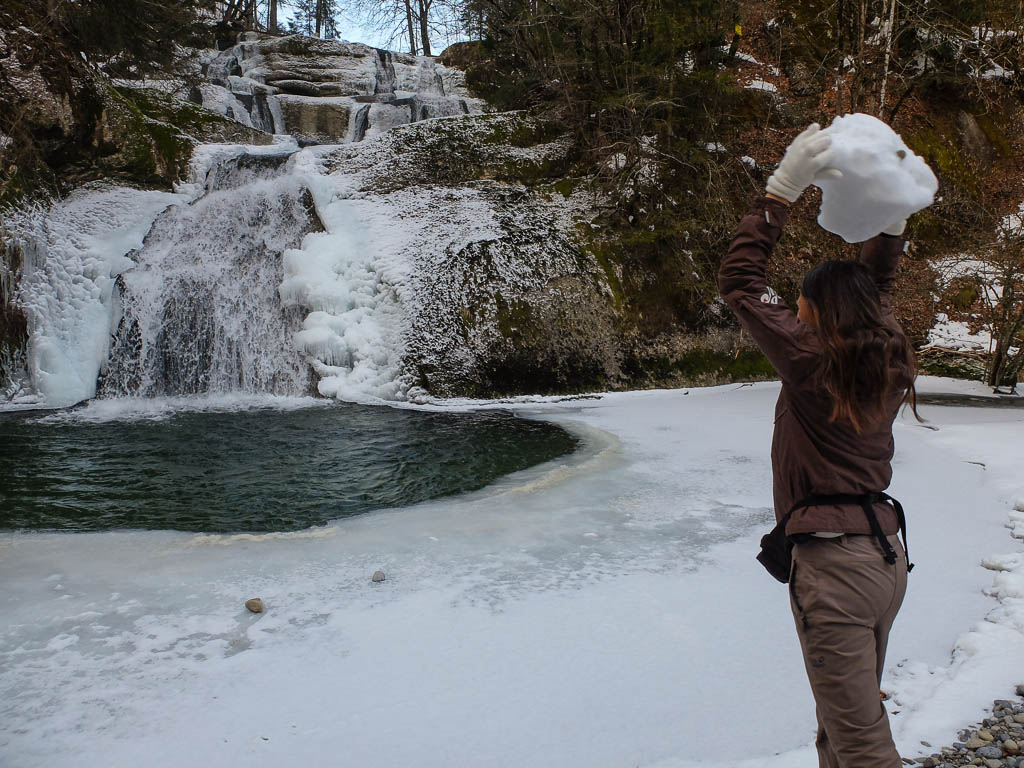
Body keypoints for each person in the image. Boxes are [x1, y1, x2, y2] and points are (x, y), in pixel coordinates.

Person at [718, 123, 919, 768]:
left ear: (812, 312)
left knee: (862, 745)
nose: (795, 313)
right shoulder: (884, 352)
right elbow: (875, 288)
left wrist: (781, 191)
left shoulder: (811, 359)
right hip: (884, 561)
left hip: (836, 568)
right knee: (841, 728)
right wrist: (891, 219)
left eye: (802, 306)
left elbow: (743, 284)